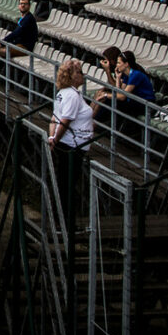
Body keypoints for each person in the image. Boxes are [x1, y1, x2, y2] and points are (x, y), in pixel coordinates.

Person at [49, 58, 95, 227]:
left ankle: (62, 221)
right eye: (80, 72)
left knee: (64, 184)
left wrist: (52, 138)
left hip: (69, 145)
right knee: (67, 186)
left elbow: (54, 119)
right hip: (71, 146)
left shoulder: (64, 93)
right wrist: (56, 139)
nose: (83, 75)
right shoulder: (72, 96)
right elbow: (64, 121)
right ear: (72, 76)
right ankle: (66, 223)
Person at [0, 0, 38, 77]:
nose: (22, 5)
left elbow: (16, 33)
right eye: (21, 4)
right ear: (18, 6)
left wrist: (1, 43)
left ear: (29, 6)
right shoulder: (23, 18)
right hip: (18, 45)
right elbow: (17, 35)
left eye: (25, 4)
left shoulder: (29, 19)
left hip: (25, 48)